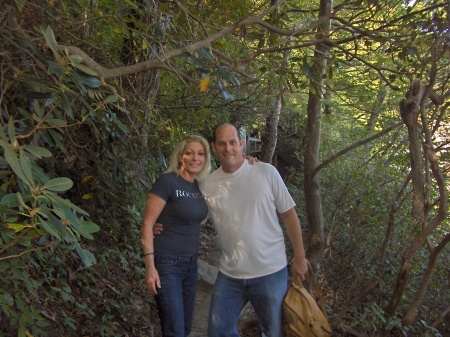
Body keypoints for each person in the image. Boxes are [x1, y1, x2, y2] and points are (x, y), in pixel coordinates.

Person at [201, 123, 308, 337]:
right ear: (214, 147)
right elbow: (192, 217)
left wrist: (300, 256)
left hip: (271, 272)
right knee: (218, 331)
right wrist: (160, 225)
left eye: (232, 142)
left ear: (242, 144)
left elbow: (288, 214)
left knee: (273, 332)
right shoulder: (207, 185)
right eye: (221, 143)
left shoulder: (266, 172)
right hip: (230, 273)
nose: (228, 148)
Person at [141, 135, 211, 337]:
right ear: (180, 156)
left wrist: (251, 162)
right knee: (174, 330)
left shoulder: (199, 186)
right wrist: (150, 267)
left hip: (191, 265)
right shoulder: (167, 181)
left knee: (186, 328)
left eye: (200, 153)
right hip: (167, 263)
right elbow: (147, 223)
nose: (195, 158)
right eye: (189, 153)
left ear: (206, 158)